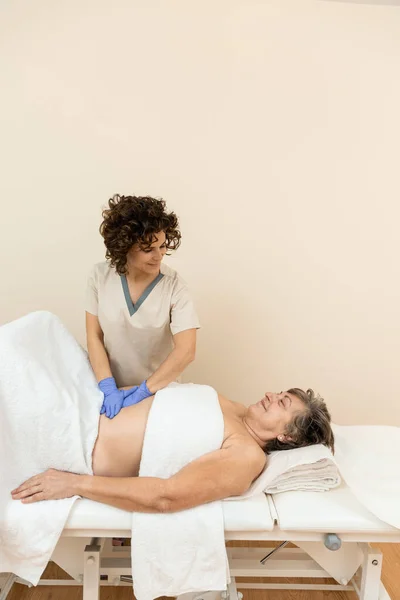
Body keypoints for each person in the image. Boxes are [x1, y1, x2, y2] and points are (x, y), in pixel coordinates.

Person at [11, 388, 334, 511]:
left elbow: (168, 496)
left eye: (283, 403)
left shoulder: (246, 455)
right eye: (279, 393)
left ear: (287, 437)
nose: (269, 394)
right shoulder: (235, 408)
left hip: (72, 441)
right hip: (78, 401)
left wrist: (73, 483)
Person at [86, 194, 200, 419]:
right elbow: (94, 336)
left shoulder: (175, 286)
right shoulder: (99, 276)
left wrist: (144, 390)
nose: (159, 256)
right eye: (148, 249)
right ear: (124, 247)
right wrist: (107, 387)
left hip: (158, 393)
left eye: (162, 246)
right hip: (109, 389)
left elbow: (186, 351)